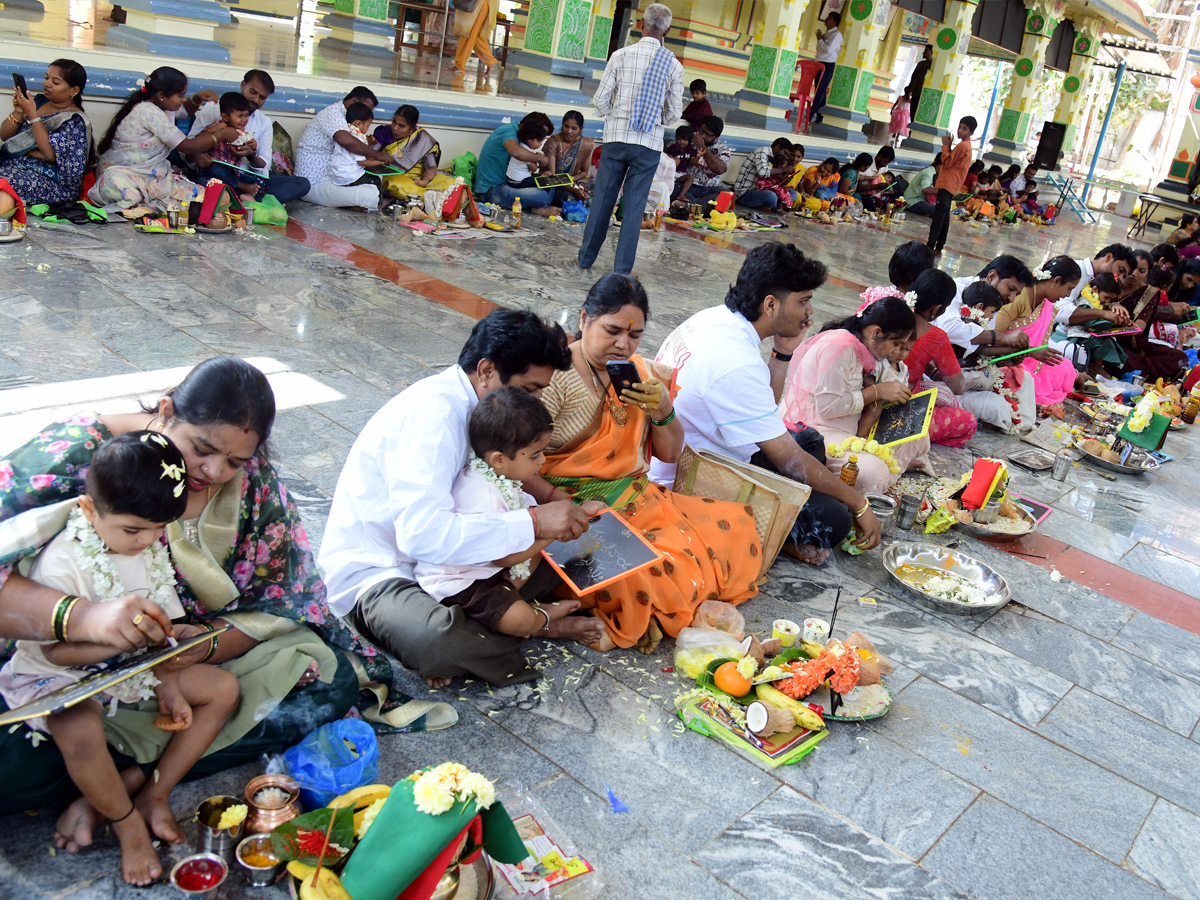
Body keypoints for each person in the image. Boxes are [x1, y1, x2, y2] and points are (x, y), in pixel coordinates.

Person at [0, 358, 419, 832]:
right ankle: (118, 774)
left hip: (180, 664)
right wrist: (86, 619)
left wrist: (206, 643)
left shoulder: (254, 485)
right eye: (201, 448)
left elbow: (285, 598)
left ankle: (129, 781)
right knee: (16, 760)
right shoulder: (80, 454)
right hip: (67, 669)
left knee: (329, 683)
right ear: (165, 411)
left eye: (235, 460)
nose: (214, 471)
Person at [319, 310, 605, 690]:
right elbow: (422, 538)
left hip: (465, 568)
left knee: (584, 547)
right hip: (387, 572)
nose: (537, 401)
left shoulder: (488, 407)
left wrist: (560, 508)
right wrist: (535, 523)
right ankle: (538, 624)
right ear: (486, 369)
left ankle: (515, 620)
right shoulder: (432, 418)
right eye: (529, 389)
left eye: (541, 391)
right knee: (437, 644)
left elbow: (512, 479)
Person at [0, 432, 239, 885]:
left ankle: (157, 790)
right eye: (133, 530)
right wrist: (117, 642)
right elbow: (55, 650)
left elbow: (159, 634)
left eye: (156, 529)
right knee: (80, 730)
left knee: (223, 689)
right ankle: (128, 824)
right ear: (90, 510)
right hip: (57, 676)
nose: (146, 541)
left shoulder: (149, 547)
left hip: (127, 670)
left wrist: (172, 661)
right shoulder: (65, 561)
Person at [535, 275, 762, 651]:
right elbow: (520, 465)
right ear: (583, 319)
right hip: (577, 508)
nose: (623, 343)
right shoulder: (555, 380)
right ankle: (640, 612)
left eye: (635, 335)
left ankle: (658, 611)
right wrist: (563, 503)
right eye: (612, 331)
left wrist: (662, 408)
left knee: (736, 527)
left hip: (642, 501)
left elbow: (671, 454)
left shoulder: (639, 373)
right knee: (639, 576)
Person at [651, 243, 882, 565]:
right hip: (692, 477)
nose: (809, 312)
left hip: (710, 448)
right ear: (771, 304)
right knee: (834, 519)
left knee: (810, 443)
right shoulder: (736, 360)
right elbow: (786, 458)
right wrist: (859, 504)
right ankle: (766, 537)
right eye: (803, 301)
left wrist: (783, 351)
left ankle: (774, 527)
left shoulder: (714, 318)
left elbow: (767, 411)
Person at [414, 388, 578, 639]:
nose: (542, 461)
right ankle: (541, 619)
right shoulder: (485, 493)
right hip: (462, 583)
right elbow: (505, 558)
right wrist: (550, 532)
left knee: (543, 554)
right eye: (535, 455)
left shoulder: (502, 478)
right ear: (499, 459)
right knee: (520, 619)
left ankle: (511, 602)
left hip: (490, 571)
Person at [577, 4, 683, 274]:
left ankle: (585, 259)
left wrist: (615, 115)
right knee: (634, 208)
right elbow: (673, 114)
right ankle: (622, 271)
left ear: (640, 24)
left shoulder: (620, 55)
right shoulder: (672, 64)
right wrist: (652, 117)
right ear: (667, 31)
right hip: (647, 145)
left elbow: (600, 100)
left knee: (602, 200)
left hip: (616, 139)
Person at [782, 296, 922, 494]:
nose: (895, 351)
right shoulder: (840, 347)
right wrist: (877, 391)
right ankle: (882, 471)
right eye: (896, 344)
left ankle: (886, 466)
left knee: (915, 433)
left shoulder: (862, 346)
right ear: (876, 332)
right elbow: (828, 407)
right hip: (815, 429)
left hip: (847, 426)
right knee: (872, 472)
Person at [89, 67, 240, 212]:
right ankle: (148, 205)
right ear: (162, 96)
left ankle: (148, 206)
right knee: (121, 189)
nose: (183, 99)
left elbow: (184, 111)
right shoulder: (149, 112)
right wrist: (221, 135)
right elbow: (186, 146)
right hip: (126, 175)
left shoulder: (163, 107)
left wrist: (197, 97)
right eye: (180, 95)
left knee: (208, 197)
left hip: (154, 179)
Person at [187, 69, 310, 206]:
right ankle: (254, 200)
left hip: (245, 175)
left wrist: (251, 155)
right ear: (242, 85)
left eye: (262, 98)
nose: (255, 100)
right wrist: (198, 157)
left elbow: (264, 167)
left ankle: (240, 198)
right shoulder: (214, 108)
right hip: (216, 175)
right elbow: (188, 147)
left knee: (302, 183)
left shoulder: (263, 123)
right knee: (205, 181)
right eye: (253, 92)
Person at [899, 269, 980, 447]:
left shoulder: (890, 309)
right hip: (900, 408)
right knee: (968, 421)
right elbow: (958, 386)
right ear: (936, 309)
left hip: (869, 394)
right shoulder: (935, 336)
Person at [991, 256, 1082, 411]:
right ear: (1056, 281)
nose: (1068, 295)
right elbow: (992, 338)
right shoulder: (1019, 297)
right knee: (1024, 377)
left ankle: (1078, 376)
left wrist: (1033, 353)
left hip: (1026, 359)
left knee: (1064, 365)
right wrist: (1030, 352)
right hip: (1004, 359)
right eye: (1069, 288)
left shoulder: (1046, 305)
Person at [0, 59, 91, 208]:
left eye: (55, 82)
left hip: (52, 183)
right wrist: (19, 111)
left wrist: (32, 116)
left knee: (3, 181)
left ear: (74, 90)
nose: (47, 84)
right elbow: (5, 135)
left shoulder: (74, 120)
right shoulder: (39, 102)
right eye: (46, 78)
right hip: (16, 167)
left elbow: (50, 155)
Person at [295, 86, 393, 209]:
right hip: (312, 184)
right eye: (365, 110)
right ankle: (352, 205)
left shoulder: (347, 118)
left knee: (374, 184)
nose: (367, 115)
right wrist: (377, 154)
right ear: (354, 101)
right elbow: (346, 141)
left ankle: (351, 204)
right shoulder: (333, 114)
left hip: (330, 179)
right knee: (371, 195)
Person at [935, 255, 1034, 353]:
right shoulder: (955, 288)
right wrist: (1002, 338)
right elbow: (948, 329)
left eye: (1016, 295)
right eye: (1010, 289)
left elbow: (979, 346)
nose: (1011, 299)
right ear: (992, 276)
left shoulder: (993, 305)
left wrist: (1008, 355)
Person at [476, 112, 559, 216]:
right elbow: (516, 152)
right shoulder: (509, 132)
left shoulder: (519, 135)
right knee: (542, 197)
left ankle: (534, 205)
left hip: (507, 183)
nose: (540, 144)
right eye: (539, 139)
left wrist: (539, 176)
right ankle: (537, 208)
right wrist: (539, 158)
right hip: (491, 190)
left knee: (551, 183)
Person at [372, 104, 456, 202]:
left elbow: (431, 167)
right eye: (394, 122)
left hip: (418, 179)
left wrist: (423, 182)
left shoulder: (422, 139)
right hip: (394, 177)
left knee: (455, 186)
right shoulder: (384, 132)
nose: (395, 127)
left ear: (412, 127)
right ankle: (430, 199)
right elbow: (372, 154)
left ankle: (424, 197)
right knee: (395, 184)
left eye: (401, 126)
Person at [189, 92, 260, 204]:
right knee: (210, 174)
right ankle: (241, 190)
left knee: (257, 182)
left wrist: (252, 147)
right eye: (240, 116)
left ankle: (238, 195)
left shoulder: (243, 133)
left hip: (231, 174)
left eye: (246, 115)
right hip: (211, 172)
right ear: (225, 117)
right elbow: (197, 141)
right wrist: (211, 131)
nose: (244, 120)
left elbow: (252, 149)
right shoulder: (217, 127)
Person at [1121, 266, 1188, 381]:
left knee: (1179, 358)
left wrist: (1135, 328)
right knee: (1123, 359)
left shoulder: (1149, 292)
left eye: (1141, 271)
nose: (1134, 274)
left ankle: (1145, 370)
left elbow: (1142, 323)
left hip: (1137, 342)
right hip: (1116, 345)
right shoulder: (1113, 286)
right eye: (1132, 270)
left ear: (1147, 275)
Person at [926, 116, 976, 254]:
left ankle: (930, 246)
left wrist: (945, 146)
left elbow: (947, 162)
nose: (960, 131)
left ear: (971, 133)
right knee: (944, 216)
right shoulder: (965, 146)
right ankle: (939, 245)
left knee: (939, 216)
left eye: (964, 129)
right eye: (960, 127)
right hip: (951, 183)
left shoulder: (963, 145)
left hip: (948, 183)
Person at [327, 102, 384, 208]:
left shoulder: (345, 133)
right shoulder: (356, 139)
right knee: (375, 179)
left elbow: (361, 155)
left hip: (336, 173)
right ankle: (378, 205)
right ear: (358, 124)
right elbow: (362, 162)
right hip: (347, 176)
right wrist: (381, 160)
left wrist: (369, 145)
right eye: (367, 126)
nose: (367, 129)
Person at [670, 114, 729, 207]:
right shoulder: (689, 138)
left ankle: (692, 206)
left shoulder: (722, 149)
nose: (702, 135)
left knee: (727, 194)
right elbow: (669, 152)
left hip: (708, 189)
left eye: (708, 134)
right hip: (686, 186)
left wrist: (703, 147)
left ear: (716, 137)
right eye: (701, 131)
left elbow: (720, 169)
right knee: (672, 188)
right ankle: (698, 207)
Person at [544, 110, 594, 204]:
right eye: (566, 126)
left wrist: (571, 182)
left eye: (574, 128)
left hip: (570, 183)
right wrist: (573, 190)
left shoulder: (585, 144)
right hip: (553, 185)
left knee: (597, 190)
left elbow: (584, 171)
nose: (569, 131)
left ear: (581, 129)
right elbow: (552, 179)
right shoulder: (553, 142)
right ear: (562, 124)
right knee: (570, 199)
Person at [732, 137, 796, 211]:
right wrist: (783, 169)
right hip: (745, 193)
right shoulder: (762, 152)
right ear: (777, 147)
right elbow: (762, 172)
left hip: (761, 191)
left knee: (793, 193)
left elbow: (774, 182)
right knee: (771, 196)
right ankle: (777, 208)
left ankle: (771, 206)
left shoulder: (775, 158)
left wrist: (785, 179)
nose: (785, 157)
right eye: (785, 153)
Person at [810, 11, 842, 124]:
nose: (826, 21)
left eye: (829, 19)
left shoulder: (836, 35)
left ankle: (809, 116)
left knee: (819, 91)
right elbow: (821, 49)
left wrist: (820, 39)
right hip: (820, 63)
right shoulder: (827, 33)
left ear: (835, 22)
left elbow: (828, 50)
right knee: (821, 93)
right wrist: (821, 39)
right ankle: (819, 119)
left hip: (827, 64)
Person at [453, 0, 498, 74]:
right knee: (476, 36)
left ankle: (459, 65)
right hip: (476, 5)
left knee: (467, 33)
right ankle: (490, 60)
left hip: (478, 6)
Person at [906, 43, 933, 122]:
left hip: (924, 95)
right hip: (916, 93)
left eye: (926, 51)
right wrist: (908, 91)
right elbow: (913, 78)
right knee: (913, 115)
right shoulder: (921, 64)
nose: (923, 52)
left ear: (931, 53)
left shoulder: (933, 65)